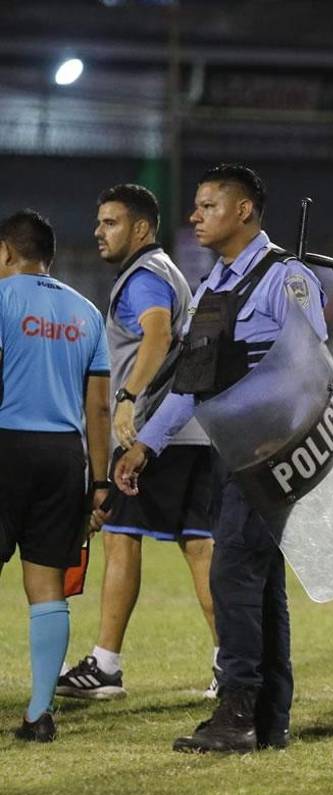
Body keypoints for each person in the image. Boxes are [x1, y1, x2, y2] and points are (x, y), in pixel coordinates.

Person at [114, 163, 328, 754]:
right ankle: (268, 716)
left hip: (268, 455)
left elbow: (314, 372)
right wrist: (145, 444)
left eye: (207, 205)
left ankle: (238, 712)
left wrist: (279, 439)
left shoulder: (287, 277)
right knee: (258, 585)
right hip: (228, 454)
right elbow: (190, 383)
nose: (194, 216)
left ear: (243, 211)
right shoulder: (213, 287)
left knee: (235, 575)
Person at [57, 184, 219, 702]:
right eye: (99, 222)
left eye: (110, 222)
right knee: (200, 546)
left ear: (141, 228)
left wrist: (127, 397)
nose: (99, 232)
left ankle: (105, 665)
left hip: (153, 435)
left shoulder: (143, 279)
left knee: (120, 537)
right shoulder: (169, 271)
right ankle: (231, 662)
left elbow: (157, 334)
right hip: (193, 430)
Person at [0, 210, 111, 742]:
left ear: (5, 252)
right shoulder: (86, 312)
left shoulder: (1, 300)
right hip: (65, 456)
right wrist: (101, 482)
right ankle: (38, 714)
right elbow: (100, 407)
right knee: (47, 587)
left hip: (5, 444)